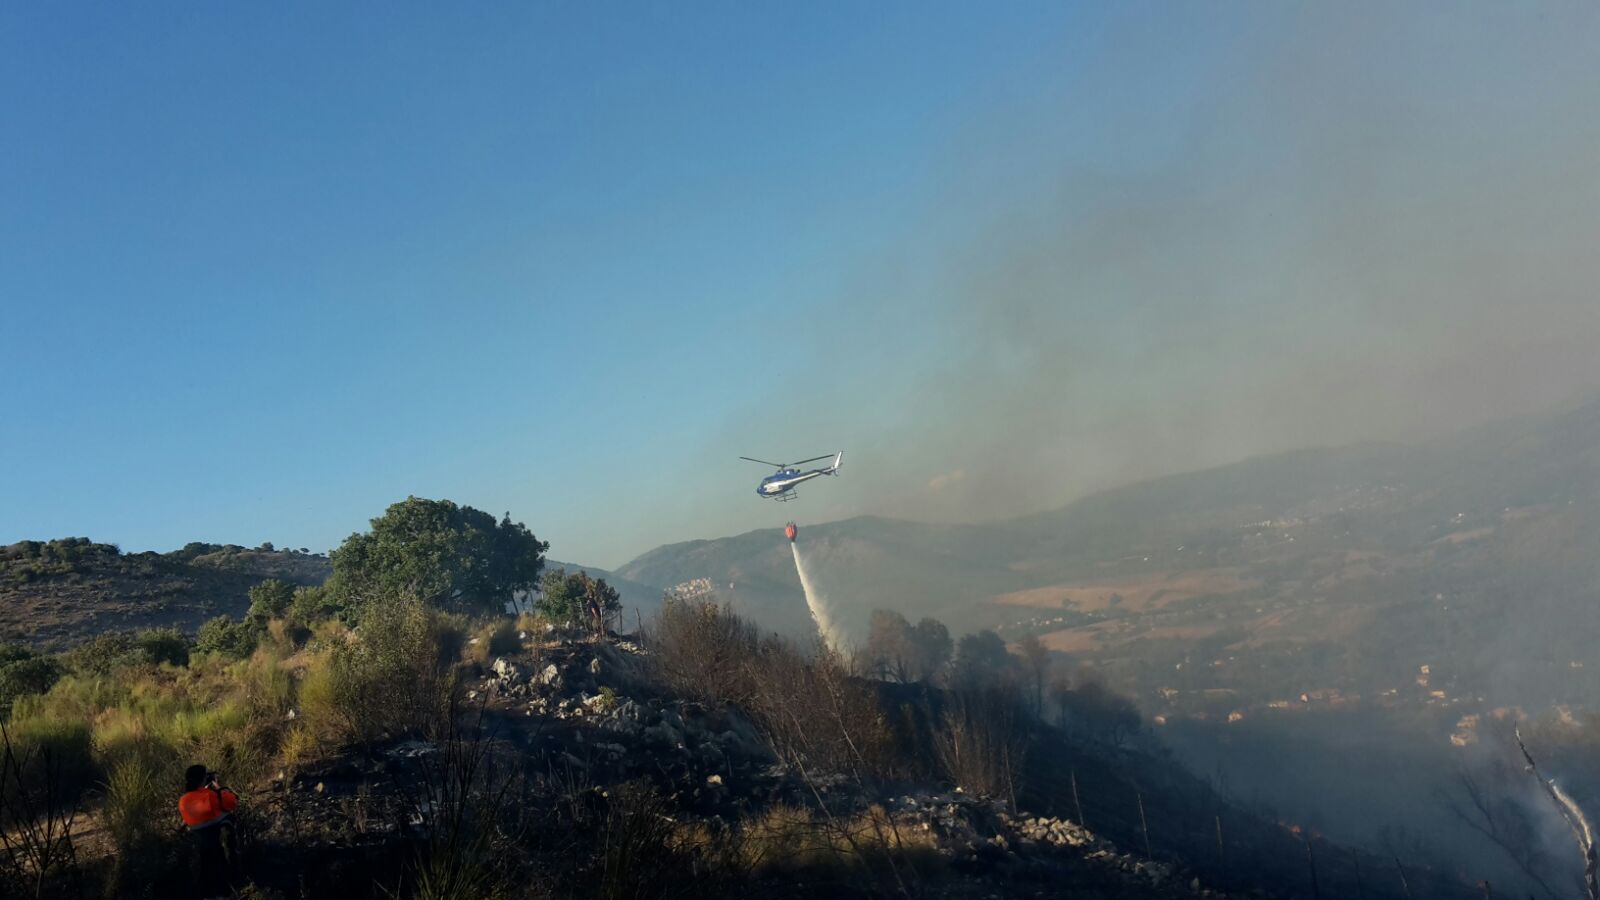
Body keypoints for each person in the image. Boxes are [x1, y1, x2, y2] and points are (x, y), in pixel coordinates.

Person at [179, 763, 238, 900]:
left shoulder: (183, 800)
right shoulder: (211, 796)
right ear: (203, 779)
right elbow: (233, 801)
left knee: (206, 881)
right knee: (222, 880)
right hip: (218, 844)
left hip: (199, 848)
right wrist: (218, 787)